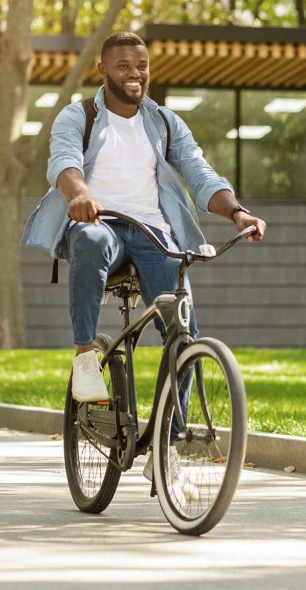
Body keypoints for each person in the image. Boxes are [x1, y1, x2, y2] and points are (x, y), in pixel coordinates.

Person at [22, 31, 266, 403]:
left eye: (141, 65)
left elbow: (200, 173)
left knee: (183, 335)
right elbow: (64, 163)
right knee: (90, 238)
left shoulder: (165, 122)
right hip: (100, 224)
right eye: (123, 66)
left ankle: (167, 443)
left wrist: (237, 211)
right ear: (102, 70)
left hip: (154, 233)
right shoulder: (79, 115)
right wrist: (82, 194)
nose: (134, 73)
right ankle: (85, 356)